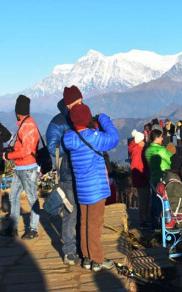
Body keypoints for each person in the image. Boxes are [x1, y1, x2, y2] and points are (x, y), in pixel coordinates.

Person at [63, 104, 119, 272]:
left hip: (82, 189)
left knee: (84, 222)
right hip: (96, 188)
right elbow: (113, 138)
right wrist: (103, 118)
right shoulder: (93, 137)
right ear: (87, 118)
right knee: (95, 224)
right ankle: (97, 260)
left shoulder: (70, 138)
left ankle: (87, 257)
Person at [45, 85, 83, 265]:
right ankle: (69, 251)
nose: (81, 104)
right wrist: (72, 141)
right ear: (68, 104)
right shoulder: (58, 122)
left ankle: (82, 247)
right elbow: (53, 149)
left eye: (81, 101)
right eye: (77, 102)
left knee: (82, 212)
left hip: (83, 173)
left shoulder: (83, 117)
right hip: (68, 174)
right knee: (71, 213)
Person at [3, 95, 40, 239]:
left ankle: (33, 228)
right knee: (13, 197)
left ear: (17, 111)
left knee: (32, 198)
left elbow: (26, 151)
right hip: (20, 167)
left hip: (28, 167)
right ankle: (13, 228)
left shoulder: (29, 126)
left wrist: (8, 156)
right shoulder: (25, 124)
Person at [145, 128, 173, 230]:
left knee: (155, 200)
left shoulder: (148, 150)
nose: (162, 139)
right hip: (162, 178)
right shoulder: (161, 150)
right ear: (157, 138)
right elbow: (171, 159)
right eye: (161, 137)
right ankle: (164, 222)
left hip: (153, 177)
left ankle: (154, 221)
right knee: (163, 201)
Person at [160, 155, 182, 228]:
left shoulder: (166, 178)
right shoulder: (174, 184)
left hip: (169, 214)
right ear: (179, 169)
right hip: (177, 218)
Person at [128, 129, 150, 229]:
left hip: (139, 178)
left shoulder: (135, 149)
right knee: (143, 199)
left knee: (144, 199)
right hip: (141, 178)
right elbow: (138, 166)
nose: (144, 143)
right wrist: (145, 174)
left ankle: (144, 219)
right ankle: (143, 220)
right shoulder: (138, 151)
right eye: (142, 141)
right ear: (139, 141)